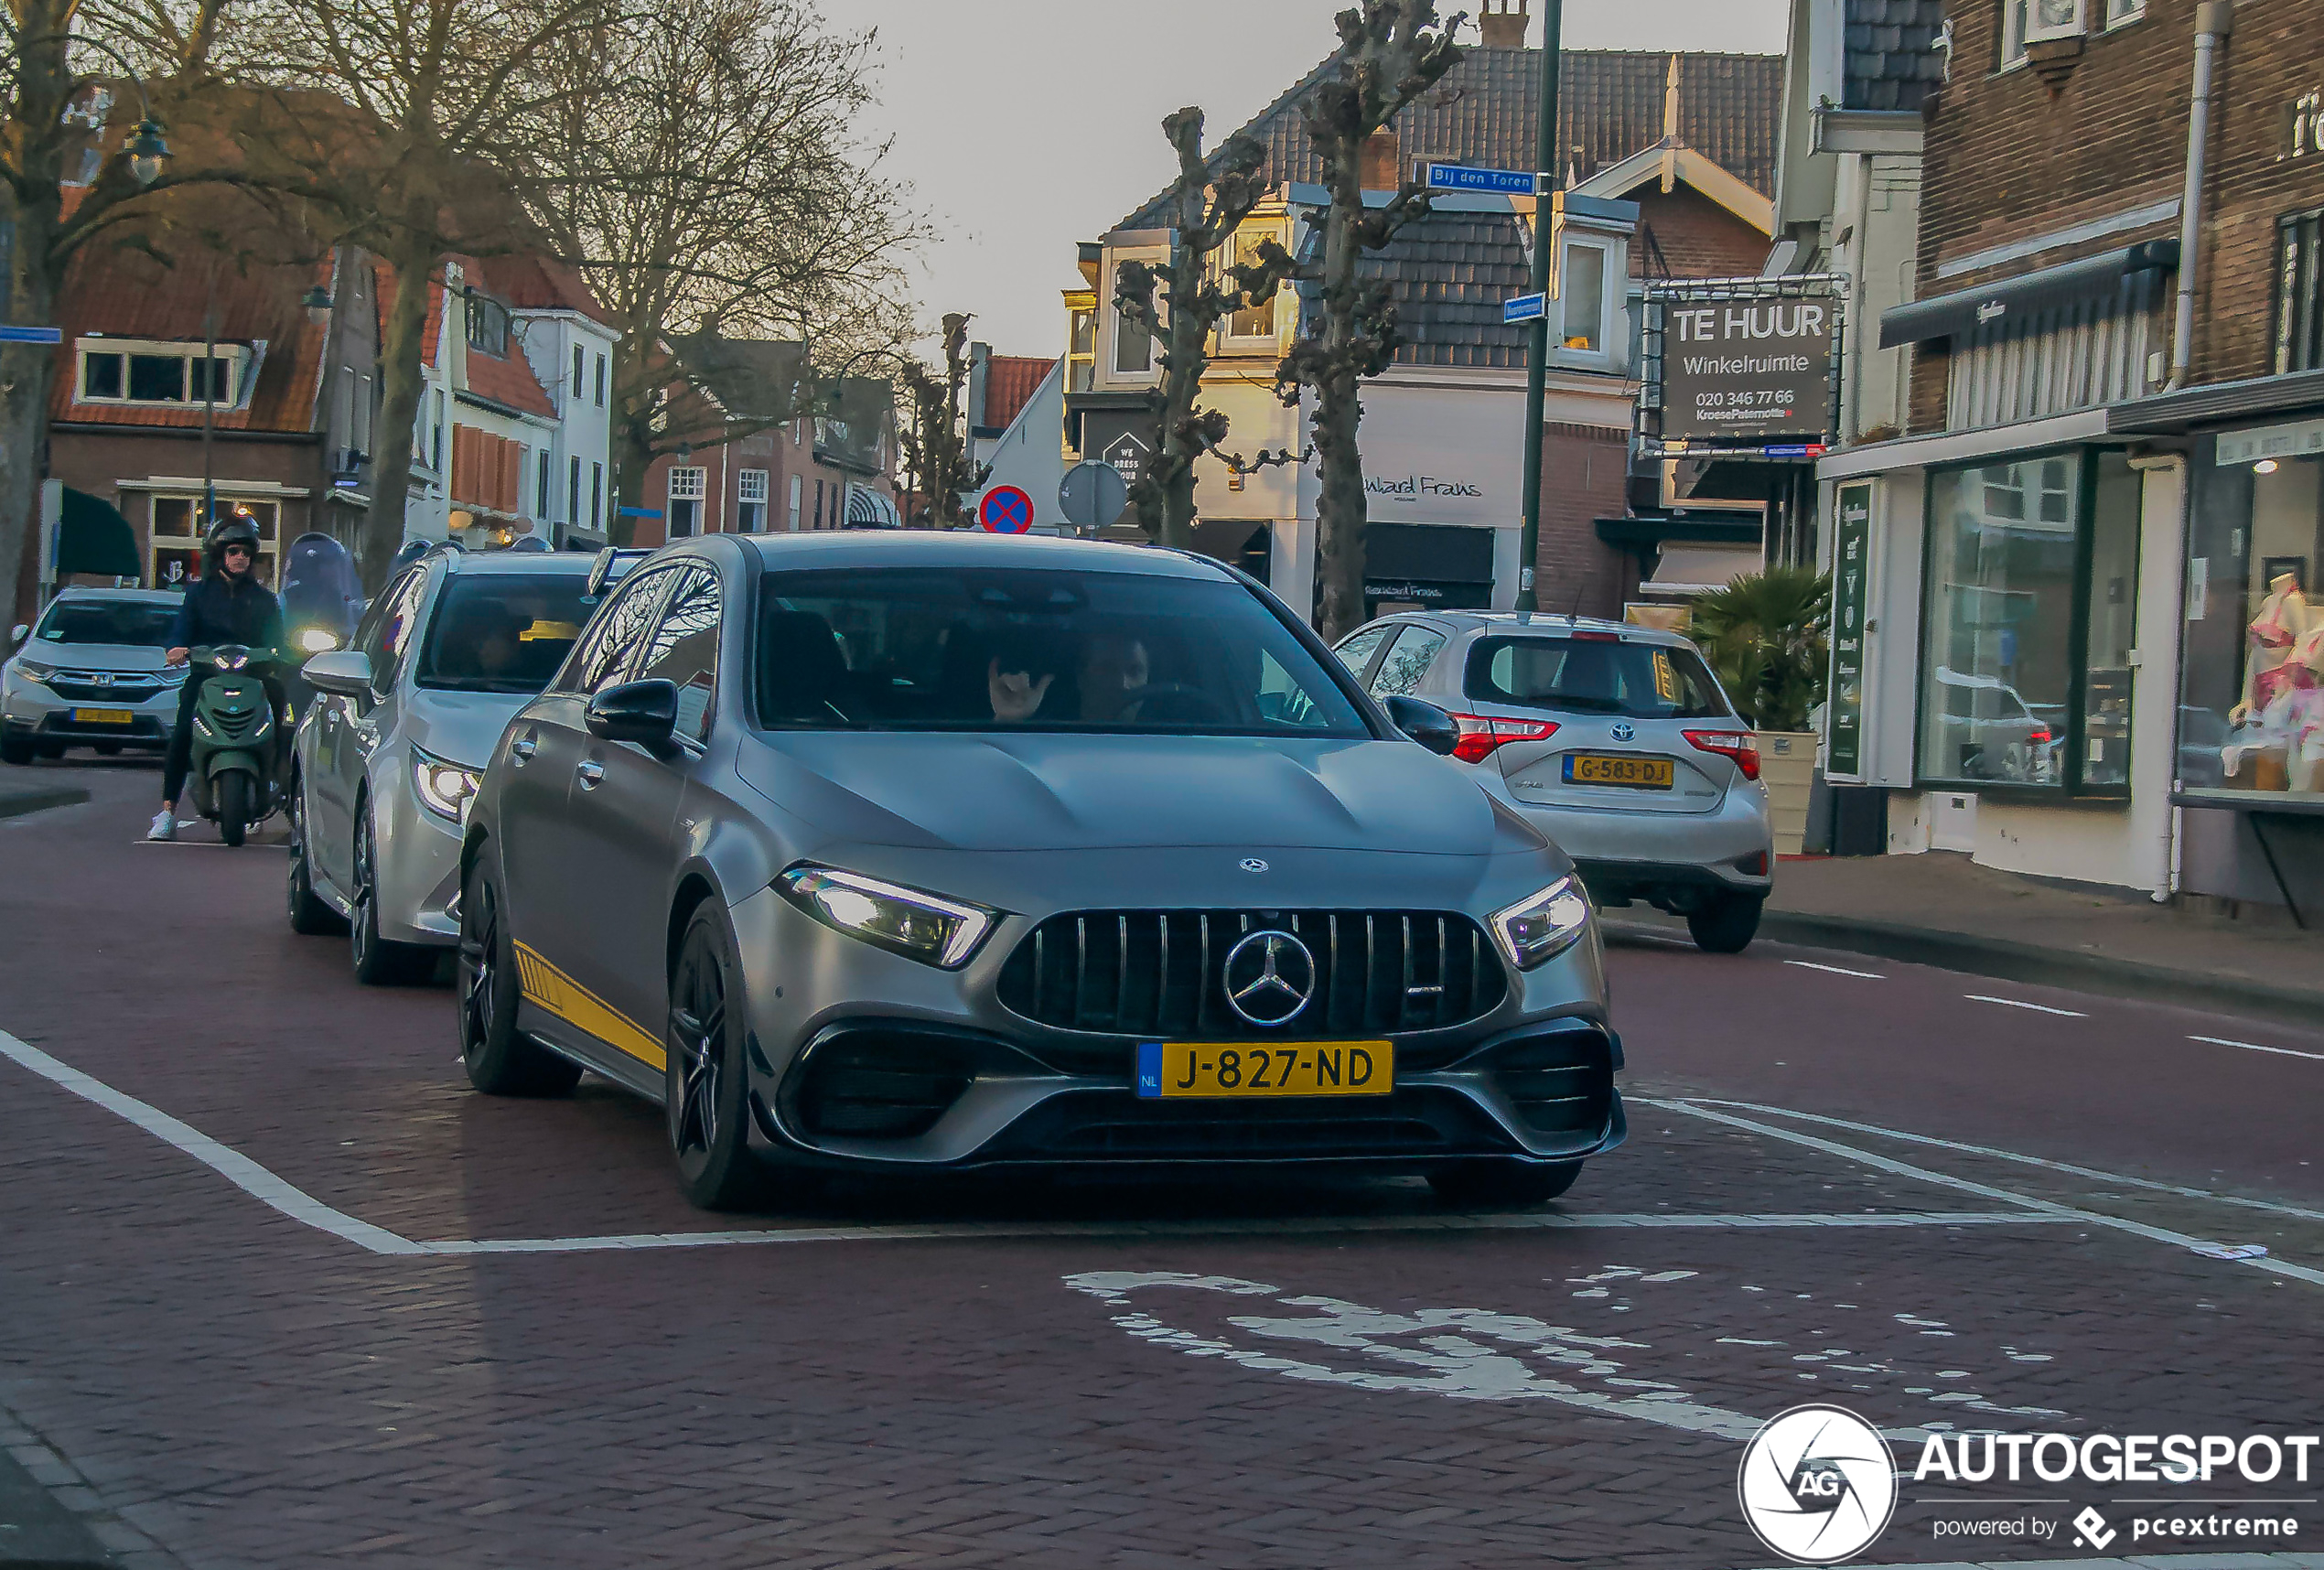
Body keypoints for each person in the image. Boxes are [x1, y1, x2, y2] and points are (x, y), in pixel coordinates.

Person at [151, 513, 285, 841]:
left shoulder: (265, 599)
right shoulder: (198, 595)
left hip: (253, 677)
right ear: (220, 555)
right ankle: (167, 811)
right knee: (183, 729)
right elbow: (181, 630)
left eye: (246, 553)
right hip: (207, 677)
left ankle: (273, 784)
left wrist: (282, 653)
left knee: (281, 711)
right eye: (234, 551)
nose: (240, 558)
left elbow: (278, 641)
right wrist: (177, 648)